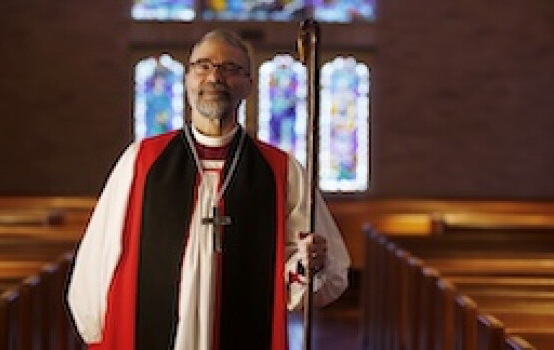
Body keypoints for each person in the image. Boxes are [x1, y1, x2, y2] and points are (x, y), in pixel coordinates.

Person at [67, 28, 350, 350]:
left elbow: (318, 275)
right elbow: (99, 258)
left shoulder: (280, 170)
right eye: (203, 65)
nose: (214, 77)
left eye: (230, 68)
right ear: (187, 79)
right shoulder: (141, 161)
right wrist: (98, 332)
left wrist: (307, 264)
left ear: (249, 85)